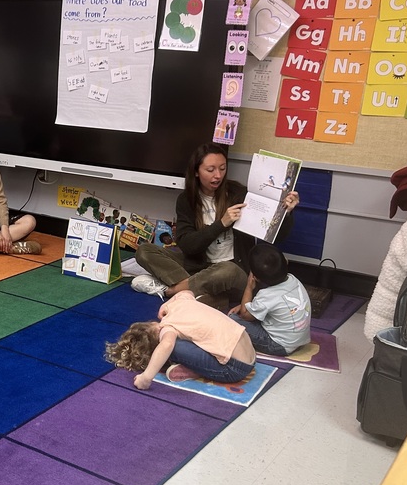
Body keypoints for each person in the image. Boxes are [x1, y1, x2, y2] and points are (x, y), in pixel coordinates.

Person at [132, 143, 298, 304]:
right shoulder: (186, 200)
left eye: (222, 168)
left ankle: (171, 291)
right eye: (210, 170)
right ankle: (199, 291)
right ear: (196, 172)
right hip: (199, 266)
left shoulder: (238, 193)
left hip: (234, 271)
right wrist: (221, 224)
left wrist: (287, 212)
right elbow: (188, 245)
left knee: (226, 270)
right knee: (144, 250)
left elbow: (277, 235)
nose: (218, 175)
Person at [105, 290, 257, 387]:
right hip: (251, 353)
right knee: (196, 336)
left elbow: (166, 345)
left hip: (235, 370)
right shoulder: (179, 304)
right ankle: (196, 368)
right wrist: (165, 305)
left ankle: (197, 370)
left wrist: (146, 378)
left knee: (173, 347)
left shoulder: (168, 328)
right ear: (151, 323)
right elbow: (186, 291)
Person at [229, 243, 312, 356]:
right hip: (300, 339)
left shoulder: (266, 295)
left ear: (255, 277)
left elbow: (244, 315)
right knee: (254, 312)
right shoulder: (293, 280)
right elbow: (272, 303)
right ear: (285, 262)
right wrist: (246, 306)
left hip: (279, 345)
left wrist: (249, 287)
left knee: (232, 319)